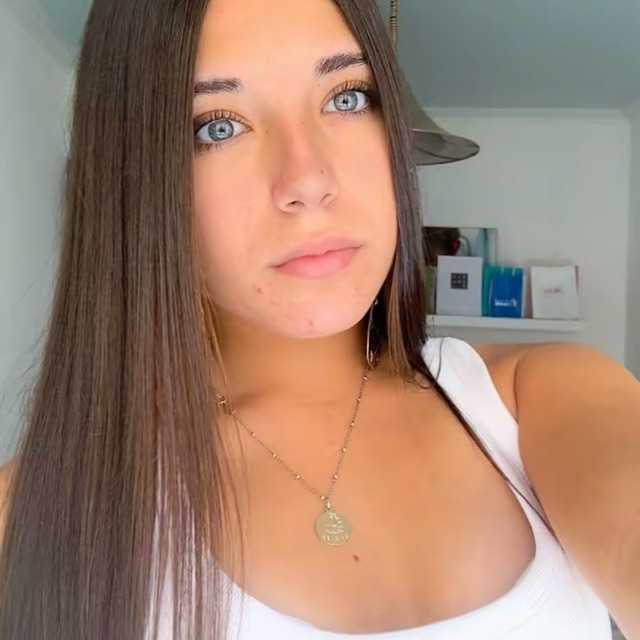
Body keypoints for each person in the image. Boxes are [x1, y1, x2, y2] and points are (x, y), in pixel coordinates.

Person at [0, 1, 638, 639]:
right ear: (132, 180)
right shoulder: (34, 519)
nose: (308, 180)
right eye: (217, 127)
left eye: (347, 98)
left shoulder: (544, 399)